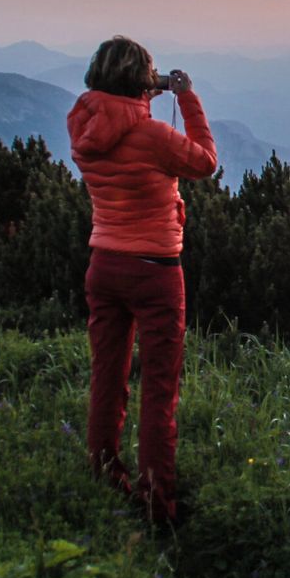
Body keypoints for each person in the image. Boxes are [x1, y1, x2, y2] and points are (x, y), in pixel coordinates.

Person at [68, 35, 217, 525]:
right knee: (158, 389)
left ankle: (104, 476)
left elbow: (119, 115)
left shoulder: (83, 125)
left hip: (103, 264)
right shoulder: (152, 136)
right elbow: (204, 163)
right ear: (140, 81)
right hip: (154, 272)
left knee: (106, 379)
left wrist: (147, 92)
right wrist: (186, 97)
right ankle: (158, 502)